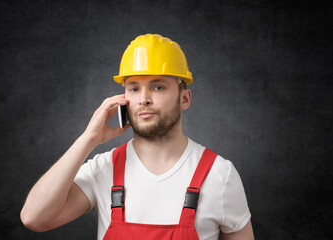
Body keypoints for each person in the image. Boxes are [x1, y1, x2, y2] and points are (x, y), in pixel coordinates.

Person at [21, 34, 254, 240]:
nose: (144, 99)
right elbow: (34, 218)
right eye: (134, 88)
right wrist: (88, 139)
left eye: (158, 87)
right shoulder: (104, 169)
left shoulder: (219, 174)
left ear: (185, 99)